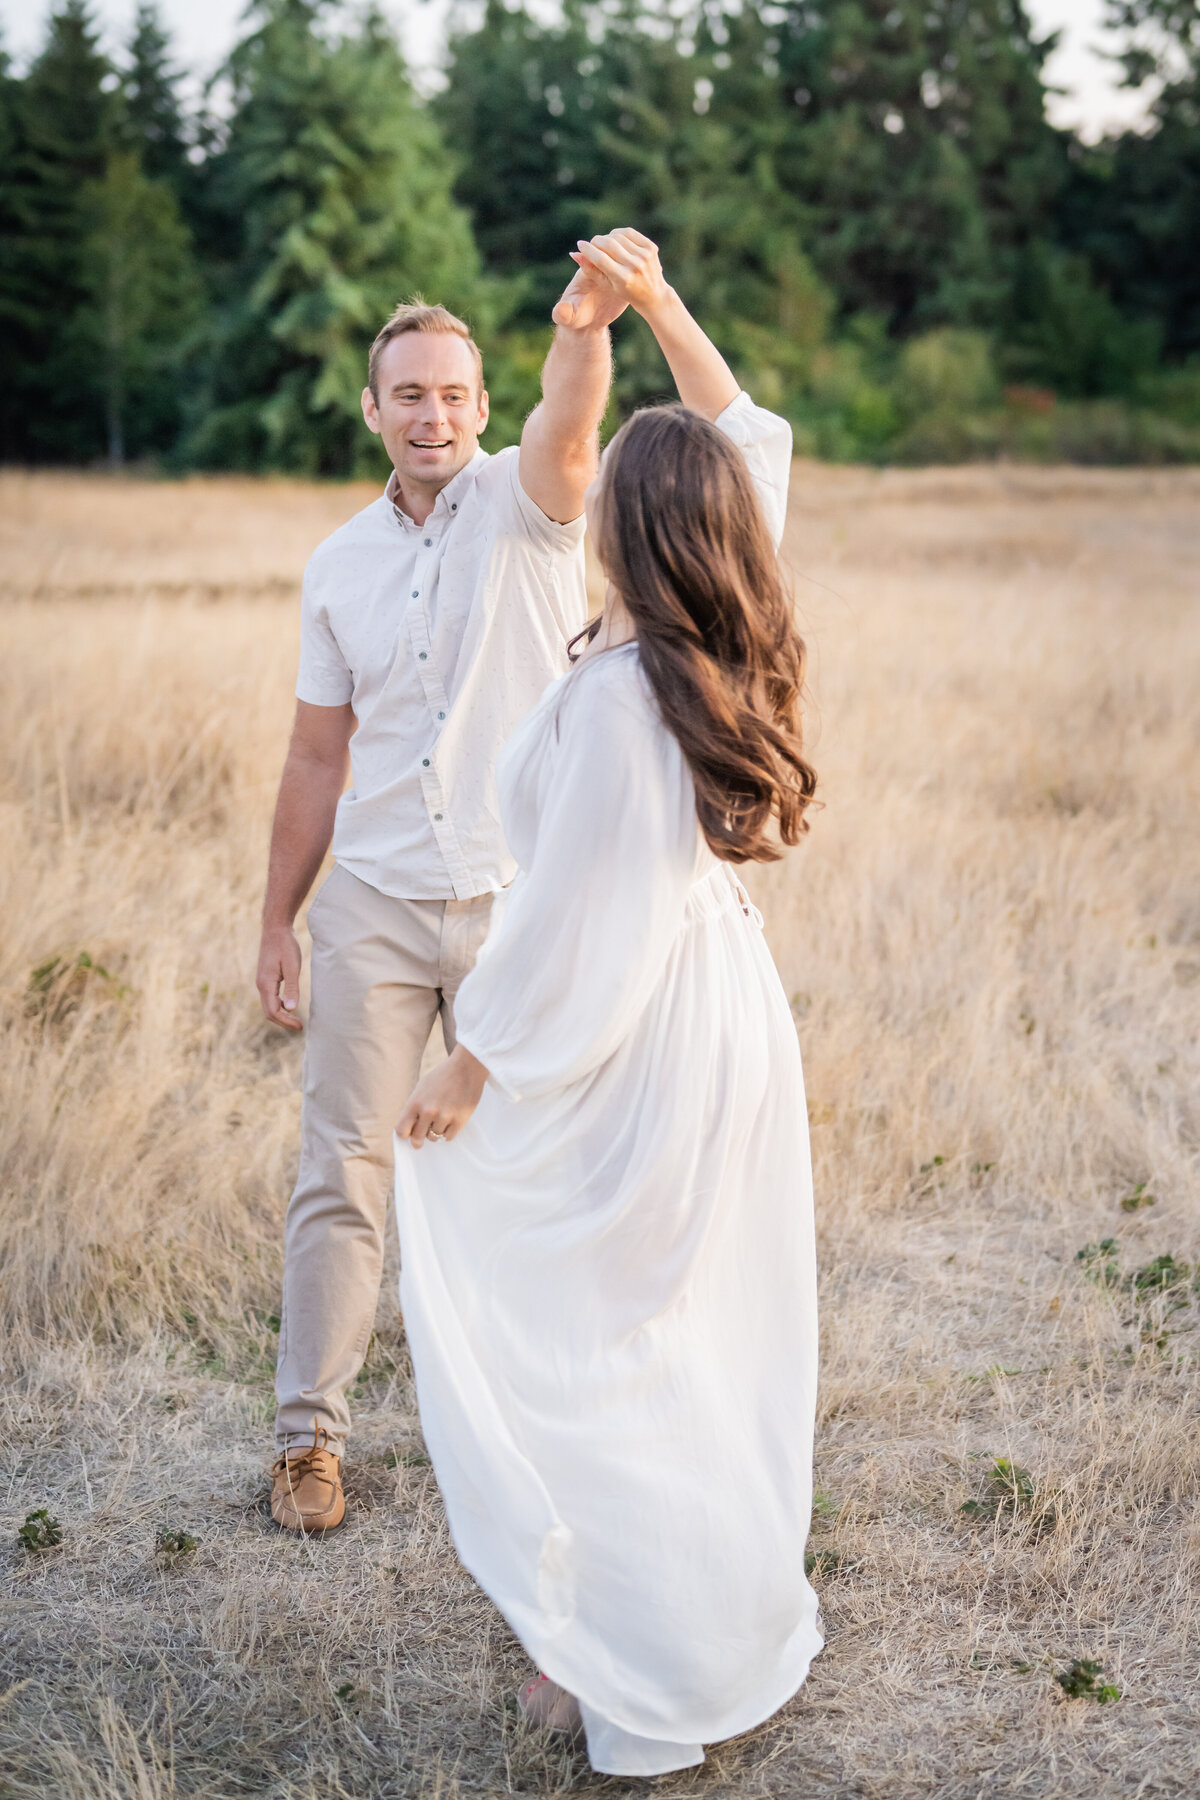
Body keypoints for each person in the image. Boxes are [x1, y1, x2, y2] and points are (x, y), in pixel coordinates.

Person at [394, 229, 822, 1778]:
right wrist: (657, 308)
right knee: (678, 1322)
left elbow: (579, 921)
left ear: (633, 532)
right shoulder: (714, 634)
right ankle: (663, 1632)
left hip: (641, 1036)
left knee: (591, 1329)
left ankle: (628, 1664)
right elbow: (750, 436)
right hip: (727, 1011)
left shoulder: (625, 697)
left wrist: (475, 1061)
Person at [257, 247, 630, 1533]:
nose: (433, 416)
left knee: (534, 1165)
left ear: (482, 406)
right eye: (408, 394)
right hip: (369, 899)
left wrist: (581, 325)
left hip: (514, 900)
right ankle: (309, 1442)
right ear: (373, 410)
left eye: (456, 394)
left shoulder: (532, 508)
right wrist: (277, 919)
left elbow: (573, 422)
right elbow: (317, 752)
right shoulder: (337, 564)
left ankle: (552, 1441)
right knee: (343, 1168)